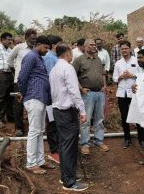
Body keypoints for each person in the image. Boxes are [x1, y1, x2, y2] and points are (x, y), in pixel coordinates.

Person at [50, 43, 89, 192]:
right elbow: (74, 91)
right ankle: (69, 182)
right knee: (68, 146)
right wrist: (82, 110)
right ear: (67, 53)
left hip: (58, 110)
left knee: (64, 144)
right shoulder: (67, 68)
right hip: (67, 111)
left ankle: (67, 174)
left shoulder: (54, 69)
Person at [18, 35, 52, 174]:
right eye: (45, 48)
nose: (46, 51)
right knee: (34, 131)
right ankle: (31, 163)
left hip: (40, 97)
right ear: (37, 44)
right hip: (34, 97)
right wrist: (24, 93)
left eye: (48, 49)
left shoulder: (39, 58)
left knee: (39, 130)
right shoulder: (31, 57)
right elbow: (22, 77)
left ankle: (40, 161)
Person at [73, 39, 109, 155]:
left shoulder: (98, 59)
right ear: (85, 46)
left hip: (100, 93)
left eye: (95, 45)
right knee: (86, 119)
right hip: (87, 94)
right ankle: (85, 143)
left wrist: (104, 85)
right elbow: (72, 76)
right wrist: (81, 88)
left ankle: (99, 140)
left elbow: (103, 73)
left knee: (99, 118)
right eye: (92, 45)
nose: (95, 46)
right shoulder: (79, 60)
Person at [112, 41, 144, 149]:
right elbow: (114, 78)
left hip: (134, 93)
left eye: (126, 48)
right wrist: (121, 76)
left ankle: (142, 140)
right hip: (122, 93)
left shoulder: (137, 61)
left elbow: (143, 75)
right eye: (122, 49)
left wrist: (132, 75)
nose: (124, 50)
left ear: (130, 49)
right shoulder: (118, 63)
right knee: (124, 117)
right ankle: (127, 138)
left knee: (137, 115)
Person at [7, 29, 37, 136]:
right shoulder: (19, 48)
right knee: (18, 105)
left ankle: (31, 127)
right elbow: (9, 60)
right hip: (19, 82)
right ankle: (19, 128)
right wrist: (16, 71)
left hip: (32, 82)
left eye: (35, 38)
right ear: (27, 37)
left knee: (32, 104)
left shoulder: (35, 49)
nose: (34, 40)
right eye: (32, 38)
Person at [44, 35, 63, 164]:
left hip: (54, 96)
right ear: (55, 45)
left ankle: (57, 148)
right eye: (60, 44)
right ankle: (54, 151)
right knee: (51, 123)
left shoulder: (53, 57)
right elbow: (52, 79)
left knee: (55, 122)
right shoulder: (51, 58)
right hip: (52, 96)